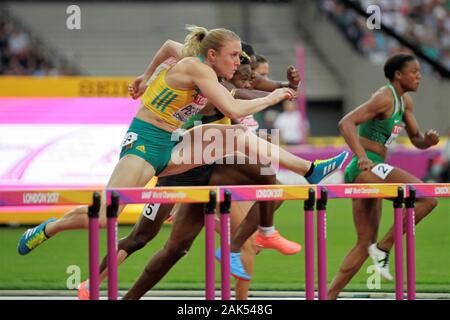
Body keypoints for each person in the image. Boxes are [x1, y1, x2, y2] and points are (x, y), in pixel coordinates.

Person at [77, 57, 299, 300]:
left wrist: (283, 86)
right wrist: (277, 91)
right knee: (141, 238)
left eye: (259, 77)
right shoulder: (222, 90)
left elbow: (257, 94)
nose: (256, 81)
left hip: (216, 173)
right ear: (233, 70)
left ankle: (247, 254)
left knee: (270, 191)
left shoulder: (238, 92)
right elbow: (244, 96)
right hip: (181, 175)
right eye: (253, 76)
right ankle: (91, 282)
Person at [327, 53, 439, 299]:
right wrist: (361, 156)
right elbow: (346, 123)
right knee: (428, 197)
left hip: (375, 168)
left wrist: (427, 141)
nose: (420, 76)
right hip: (364, 168)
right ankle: (384, 247)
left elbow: (416, 139)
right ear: (398, 75)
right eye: (415, 71)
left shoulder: (404, 102)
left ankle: (329, 295)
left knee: (363, 242)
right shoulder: (383, 98)